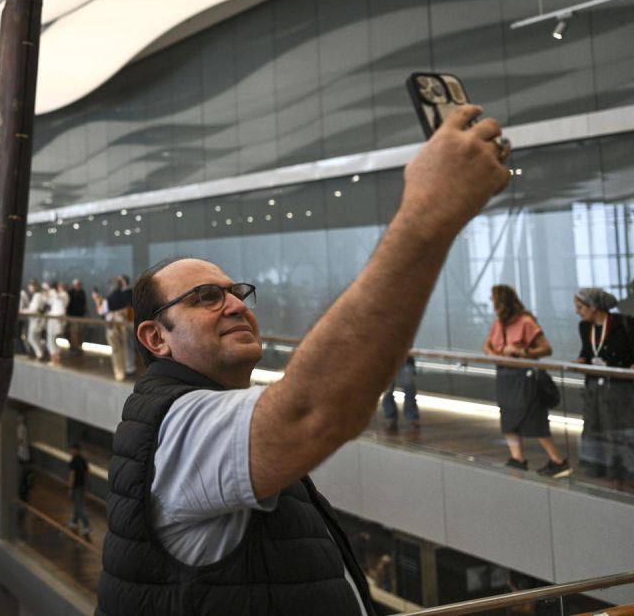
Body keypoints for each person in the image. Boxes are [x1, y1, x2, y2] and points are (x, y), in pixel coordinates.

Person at [98, 104, 512, 615]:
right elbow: (313, 411)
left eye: (236, 292)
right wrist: (429, 212)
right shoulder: (178, 424)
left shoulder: (200, 411)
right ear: (155, 338)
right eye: (206, 296)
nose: (234, 305)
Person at [483, 284, 570, 477]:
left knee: (533, 419)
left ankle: (558, 460)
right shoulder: (499, 323)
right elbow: (488, 344)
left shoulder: (525, 321)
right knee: (508, 419)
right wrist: (493, 354)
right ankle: (517, 458)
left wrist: (522, 352)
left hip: (524, 377)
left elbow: (546, 349)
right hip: (505, 376)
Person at [574, 288, 634, 479]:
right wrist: (581, 361)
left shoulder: (624, 323)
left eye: (581, 307)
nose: (578, 312)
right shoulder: (585, 327)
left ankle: (625, 469)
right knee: (595, 426)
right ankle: (600, 468)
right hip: (595, 387)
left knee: (621, 426)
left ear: (594, 307)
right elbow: (587, 351)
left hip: (620, 387)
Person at [103, 277, 132, 381]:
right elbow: (128, 310)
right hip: (123, 324)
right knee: (124, 347)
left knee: (115, 350)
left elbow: (104, 314)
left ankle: (118, 372)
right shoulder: (125, 296)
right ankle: (124, 369)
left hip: (112, 326)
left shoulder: (108, 299)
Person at [380, 355, 419, 432]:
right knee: (388, 393)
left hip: (405, 361)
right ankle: (391, 419)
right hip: (387, 362)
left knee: (409, 391)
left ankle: (412, 419)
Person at [67, 442, 92, 540]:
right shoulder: (82, 459)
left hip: (76, 487)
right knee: (79, 504)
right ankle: (74, 522)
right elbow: (87, 471)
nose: (70, 451)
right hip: (82, 486)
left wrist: (70, 488)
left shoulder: (73, 461)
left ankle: (87, 525)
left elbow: (72, 475)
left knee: (78, 506)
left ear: (75, 450)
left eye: (71, 449)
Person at [26, 281, 50, 361]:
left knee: (31, 337)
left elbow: (34, 309)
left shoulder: (38, 295)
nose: (30, 288)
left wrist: (24, 311)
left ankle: (40, 354)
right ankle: (40, 353)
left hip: (36, 319)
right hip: (37, 319)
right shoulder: (39, 295)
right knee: (36, 337)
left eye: (31, 286)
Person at [66, 279, 88, 358]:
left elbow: (84, 304)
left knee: (80, 333)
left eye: (80, 284)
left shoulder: (82, 292)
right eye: (77, 284)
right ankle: (73, 347)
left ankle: (78, 347)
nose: (79, 286)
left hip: (80, 316)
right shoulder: (70, 293)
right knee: (73, 333)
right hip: (72, 316)